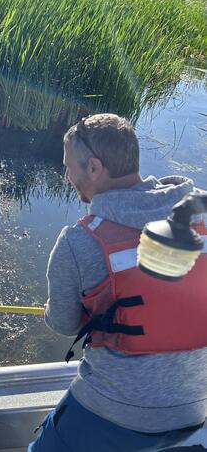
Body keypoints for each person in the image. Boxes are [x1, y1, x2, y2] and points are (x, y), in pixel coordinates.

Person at [28, 114, 207, 452]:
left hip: (111, 412)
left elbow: (64, 324)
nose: (67, 176)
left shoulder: (77, 241)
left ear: (94, 168)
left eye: (69, 166)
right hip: (194, 409)